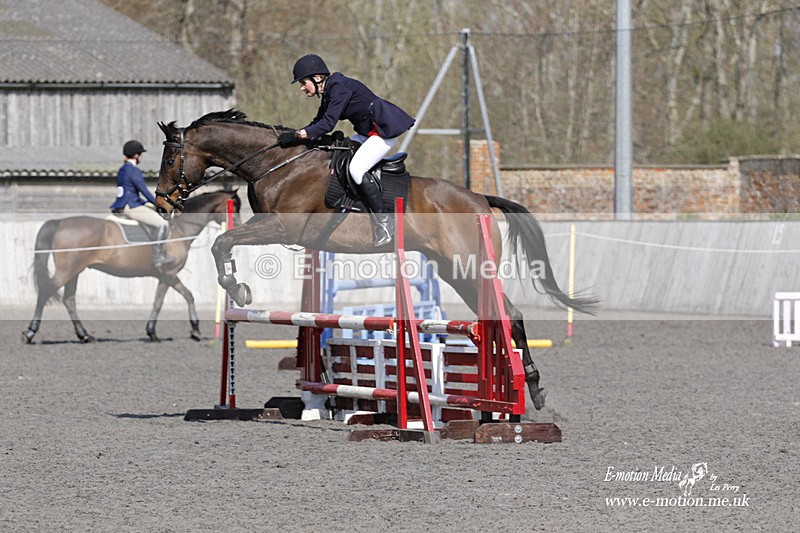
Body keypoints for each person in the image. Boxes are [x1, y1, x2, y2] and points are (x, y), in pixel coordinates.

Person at [279, 54, 415, 247]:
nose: (302, 87)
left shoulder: (339, 88)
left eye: (303, 83)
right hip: (367, 132)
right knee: (341, 154)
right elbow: (318, 122)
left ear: (317, 78)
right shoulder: (328, 91)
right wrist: (297, 135)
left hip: (383, 130)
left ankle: (385, 223)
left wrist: (299, 135)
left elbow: (327, 124)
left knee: (356, 169)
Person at [109, 140, 174, 268]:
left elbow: (132, 192)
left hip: (125, 203)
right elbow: (144, 191)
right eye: (140, 154)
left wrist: (148, 204)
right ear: (136, 155)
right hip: (131, 206)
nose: (141, 157)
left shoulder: (123, 169)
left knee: (150, 209)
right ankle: (158, 256)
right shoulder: (134, 170)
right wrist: (158, 204)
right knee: (163, 223)